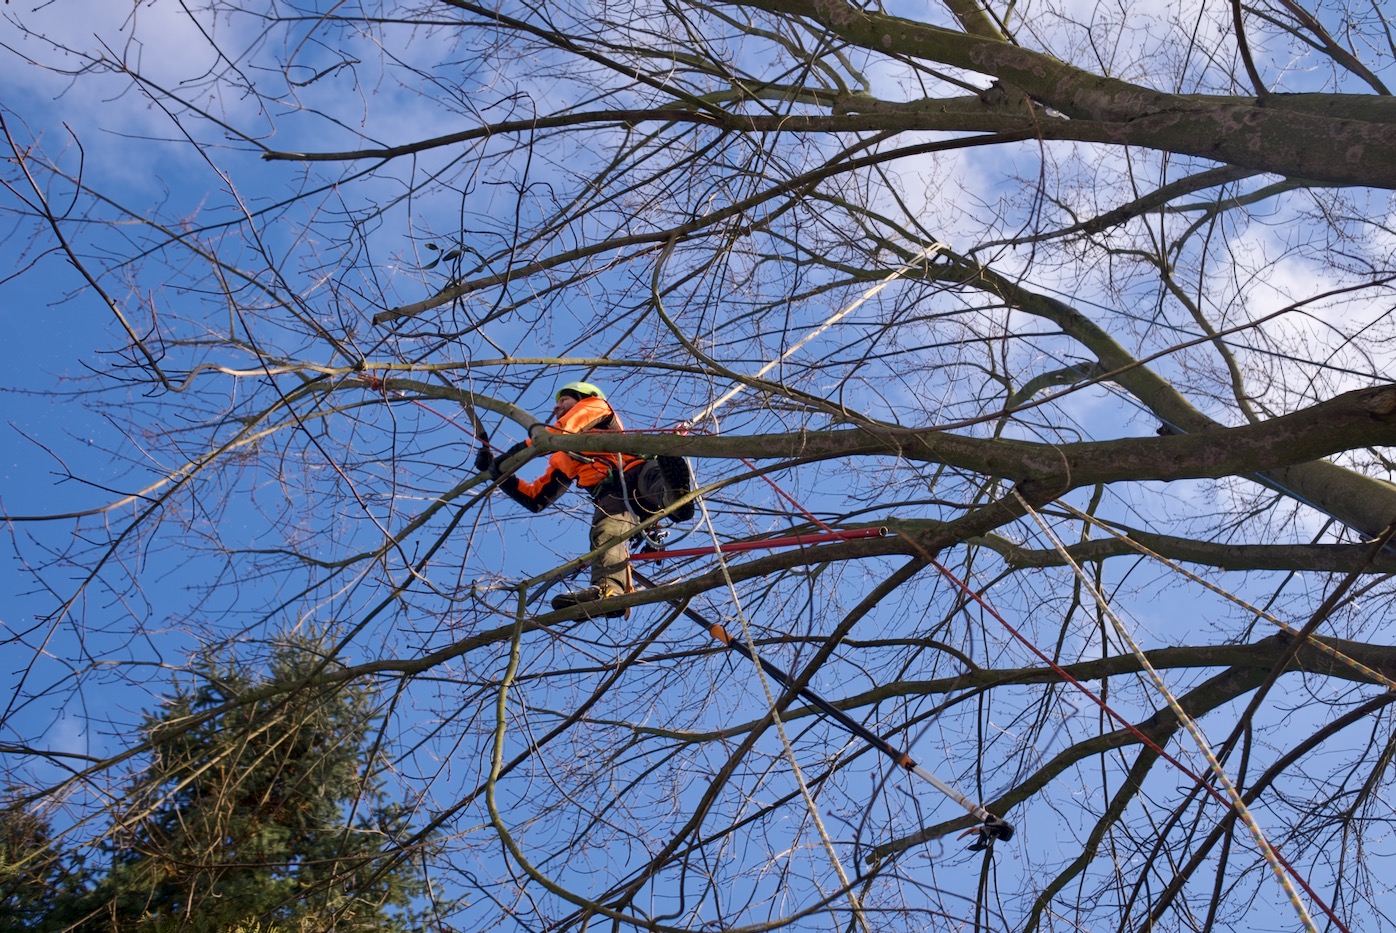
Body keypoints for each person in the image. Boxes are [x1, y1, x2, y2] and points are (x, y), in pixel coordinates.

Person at [476, 381, 693, 617]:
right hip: (612, 497)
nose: (557, 407)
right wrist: (497, 473)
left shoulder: (596, 407)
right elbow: (535, 498)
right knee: (606, 534)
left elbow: (558, 433)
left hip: (634, 470)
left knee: (654, 478)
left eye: (563, 401)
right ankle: (609, 592)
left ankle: (674, 498)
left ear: (583, 397)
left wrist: (507, 458)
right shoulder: (562, 457)